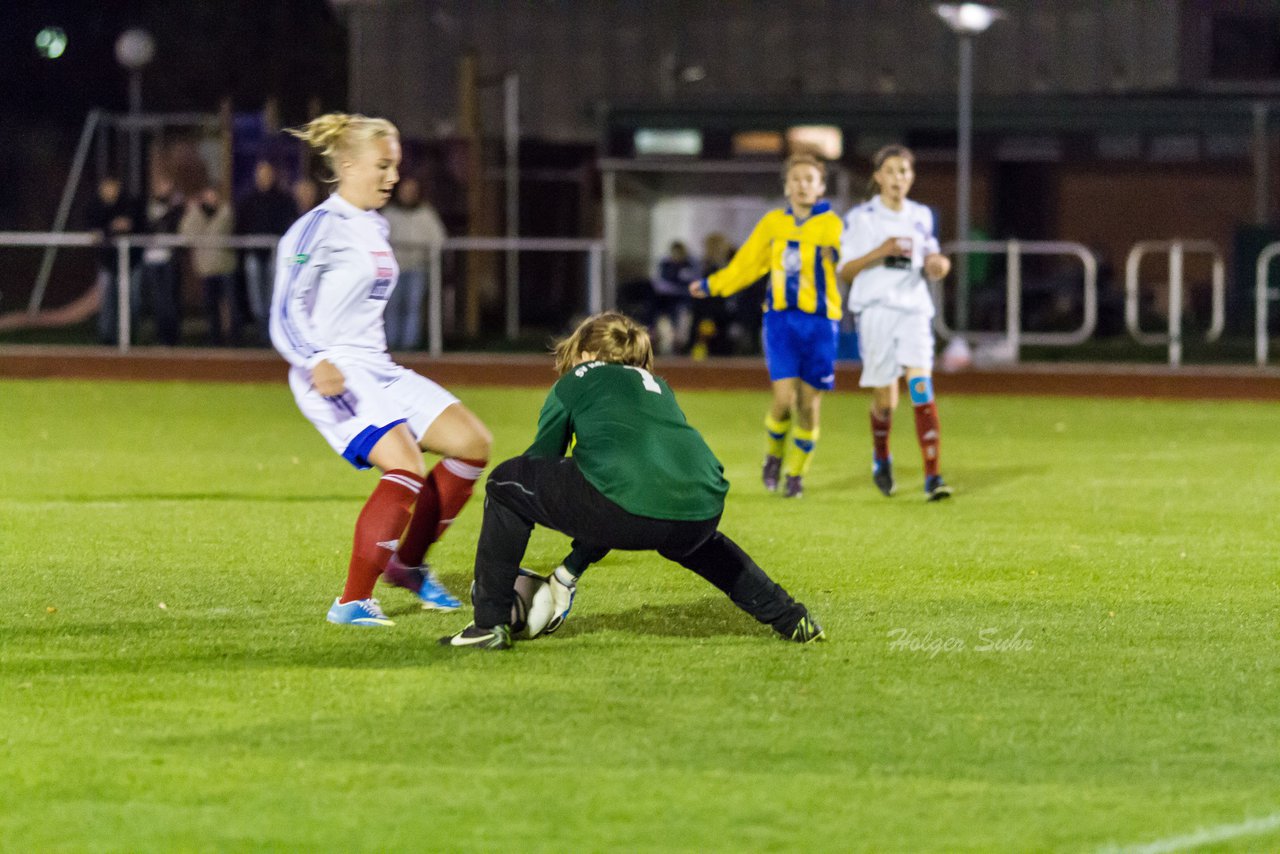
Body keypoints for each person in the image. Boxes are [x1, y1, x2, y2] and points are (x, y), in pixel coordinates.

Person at [439, 311, 826, 650]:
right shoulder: (658, 386)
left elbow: (544, 462)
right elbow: (624, 481)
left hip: (626, 503)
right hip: (703, 508)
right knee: (696, 543)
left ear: (587, 352)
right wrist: (567, 573)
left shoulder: (577, 379)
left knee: (507, 484)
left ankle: (488, 624)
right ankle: (793, 619)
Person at [270, 112, 493, 627]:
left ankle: (408, 566)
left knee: (472, 443)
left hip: (377, 367)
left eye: (395, 165)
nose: (393, 176)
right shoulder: (317, 228)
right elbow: (284, 310)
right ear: (347, 165)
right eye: (383, 165)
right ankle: (351, 601)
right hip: (332, 371)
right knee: (405, 464)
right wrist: (313, 359)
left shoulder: (373, 223)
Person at [689, 153, 843, 498]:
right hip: (780, 321)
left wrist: (841, 258)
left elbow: (849, 263)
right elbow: (747, 265)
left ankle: (797, 474)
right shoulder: (773, 223)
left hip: (820, 324)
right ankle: (773, 456)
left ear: (820, 187)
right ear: (787, 186)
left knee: (808, 404)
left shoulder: (833, 226)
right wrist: (714, 285)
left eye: (810, 179)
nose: (803, 184)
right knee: (784, 399)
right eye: (797, 179)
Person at [837, 144, 953, 501]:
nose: (897, 178)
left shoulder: (920, 215)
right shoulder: (862, 218)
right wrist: (880, 251)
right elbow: (846, 271)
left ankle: (933, 477)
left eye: (904, 171)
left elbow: (934, 257)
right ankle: (881, 456)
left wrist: (939, 265)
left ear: (911, 177)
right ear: (878, 177)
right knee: (886, 401)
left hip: (914, 310)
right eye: (890, 171)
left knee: (921, 388)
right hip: (876, 311)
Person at [382, 175, 446, 350]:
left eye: (412, 190)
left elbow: (438, 239)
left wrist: (427, 257)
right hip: (394, 269)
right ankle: (391, 344)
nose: (408, 194)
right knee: (393, 306)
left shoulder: (426, 213)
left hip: (418, 268)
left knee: (413, 306)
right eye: (405, 190)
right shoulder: (390, 213)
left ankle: (410, 344)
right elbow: (379, 239)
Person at [236, 160, 296, 343]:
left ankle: (274, 334)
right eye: (261, 174)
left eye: (268, 174)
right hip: (254, 254)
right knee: (256, 297)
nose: (264, 178)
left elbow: (288, 225)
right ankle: (263, 333)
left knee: (273, 294)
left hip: (275, 255)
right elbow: (241, 226)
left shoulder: (283, 199)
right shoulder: (249, 199)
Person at [179, 184, 241, 346]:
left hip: (225, 266)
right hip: (206, 268)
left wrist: (198, 218)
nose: (211, 199)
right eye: (208, 196)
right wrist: (194, 212)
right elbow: (187, 235)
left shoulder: (226, 212)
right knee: (211, 306)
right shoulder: (196, 214)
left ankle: (235, 339)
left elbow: (218, 231)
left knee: (231, 305)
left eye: (214, 195)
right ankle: (215, 340)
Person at [84, 175, 142, 345]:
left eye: (114, 187)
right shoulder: (95, 205)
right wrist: (108, 227)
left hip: (131, 262)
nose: (111, 191)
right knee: (107, 301)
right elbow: (92, 224)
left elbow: (140, 224)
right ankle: (106, 339)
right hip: (107, 262)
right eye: (107, 187)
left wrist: (128, 225)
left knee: (133, 301)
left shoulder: (129, 203)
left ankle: (129, 338)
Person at [139, 174, 184, 346]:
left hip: (169, 259)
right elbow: (146, 226)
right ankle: (161, 336)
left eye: (167, 184)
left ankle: (172, 338)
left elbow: (175, 225)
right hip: (151, 259)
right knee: (157, 301)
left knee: (170, 300)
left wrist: (172, 209)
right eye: (160, 184)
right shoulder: (148, 206)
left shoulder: (176, 207)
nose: (163, 188)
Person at [649, 240, 698, 354]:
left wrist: (678, 289)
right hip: (666, 301)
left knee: (680, 313)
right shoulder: (666, 265)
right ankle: (653, 333)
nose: (676, 256)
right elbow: (660, 283)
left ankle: (679, 343)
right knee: (653, 304)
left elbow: (691, 286)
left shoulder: (689, 265)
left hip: (683, 301)